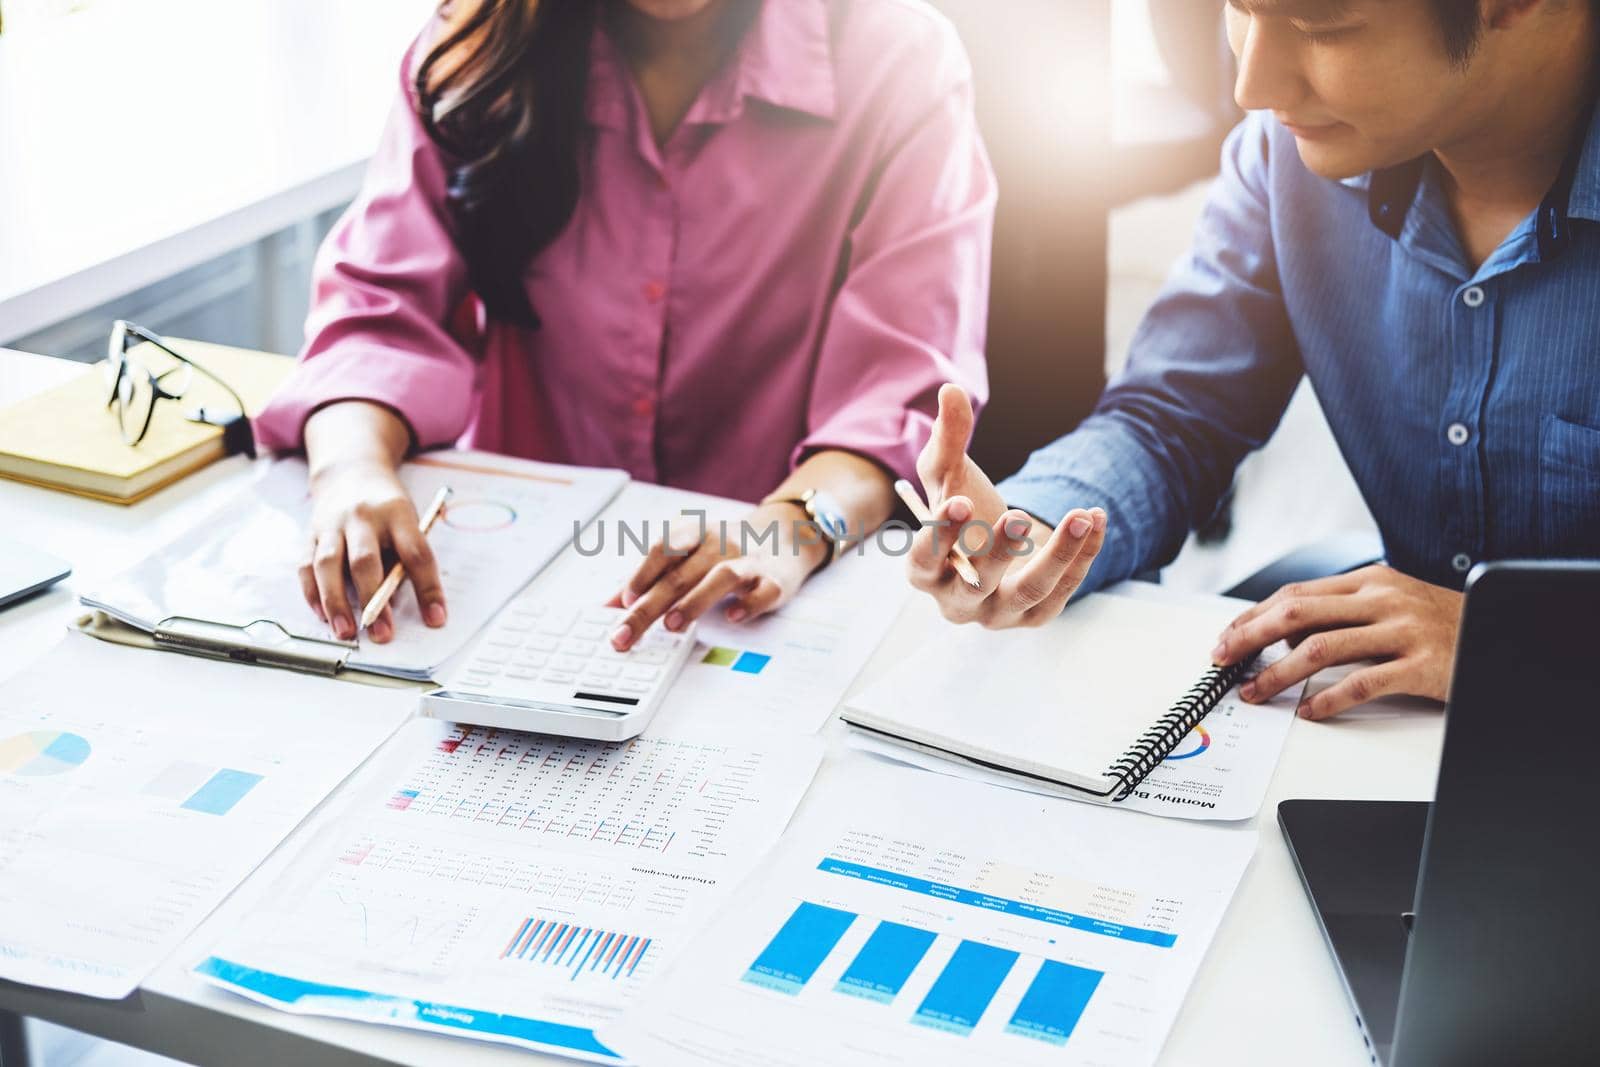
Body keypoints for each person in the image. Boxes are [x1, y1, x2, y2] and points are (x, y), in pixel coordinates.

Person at [908, 0, 1600, 721]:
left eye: (1320, 27)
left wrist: (1513, 641)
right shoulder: (1285, 156)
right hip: (1392, 732)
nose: (1251, 87)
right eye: (1237, 9)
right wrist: (1034, 529)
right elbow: (1170, 419)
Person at [253, 0, 993, 648]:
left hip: (766, 599)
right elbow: (376, 313)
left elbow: (896, 395)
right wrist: (350, 470)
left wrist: (788, 527)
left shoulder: (900, 61)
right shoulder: (474, 44)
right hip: (507, 578)